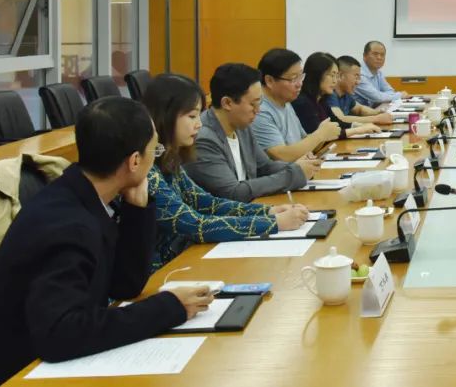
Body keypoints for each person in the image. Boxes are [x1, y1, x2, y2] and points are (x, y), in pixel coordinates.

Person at [0, 97, 211, 387]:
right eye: (153, 150)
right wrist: (169, 307)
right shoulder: (67, 224)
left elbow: (124, 285)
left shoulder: (82, 197)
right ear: (134, 161)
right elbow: (60, 333)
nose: (155, 157)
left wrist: (137, 210)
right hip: (17, 376)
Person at [143, 73, 310, 272]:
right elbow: (196, 225)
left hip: (179, 263)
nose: (199, 124)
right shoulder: (147, 171)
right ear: (166, 116)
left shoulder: (169, 160)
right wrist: (272, 223)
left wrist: (267, 211)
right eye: (192, 116)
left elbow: (208, 203)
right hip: (157, 275)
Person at [184, 63, 314, 201]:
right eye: (253, 104)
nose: (258, 110)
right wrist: (295, 174)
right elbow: (233, 192)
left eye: (260, 102)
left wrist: (300, 167)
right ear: (227, 103)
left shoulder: (241, 127)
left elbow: (265, 166)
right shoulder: (203, 139)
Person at [252, 48, 340, 161]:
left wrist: (323, 134)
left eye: (300, 77)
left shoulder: (286, 101)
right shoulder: (259, 110)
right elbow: (282, 155)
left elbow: (303, 141)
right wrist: (320, 135)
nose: (299, 84)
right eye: (293, 78)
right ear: (269, 81)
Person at [293, 53, 379, 138]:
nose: (335, 81)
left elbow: (336, 122)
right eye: (332, 75)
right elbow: (321, 136)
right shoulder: (303, 102)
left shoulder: (321, 99)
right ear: (317, 74)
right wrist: (358, 130)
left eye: (336, 76)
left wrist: (359, 126)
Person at [328, 55, 396, 125]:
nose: (358, 82)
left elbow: (360, 109)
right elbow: (340, 119)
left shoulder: (346, 94)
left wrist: (378, 113)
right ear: (341, 76)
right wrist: (376, 118)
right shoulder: (330, 94)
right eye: (356, 76)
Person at [354, 41, 408, 107]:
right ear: (364, 56)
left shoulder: (378, 72)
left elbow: (389, 91)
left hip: (373, 111)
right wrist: (399, 95)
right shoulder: (358, 74)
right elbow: (377, 98)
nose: (379, 57)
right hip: (358, 115)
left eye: (382, 55)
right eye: (375, 54)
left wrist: (383, 96)